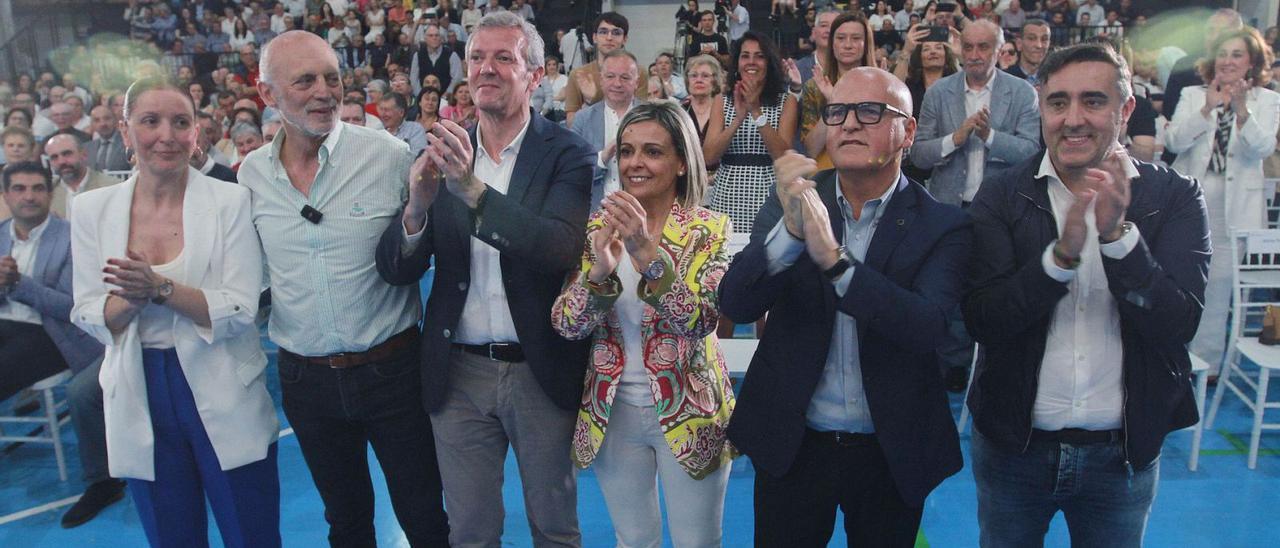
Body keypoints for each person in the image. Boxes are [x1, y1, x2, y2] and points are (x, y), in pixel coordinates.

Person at [963, 42, 1210, 547]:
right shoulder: (1003, 194)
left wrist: (1119, 239)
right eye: (1058, 103)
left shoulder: (1174, 197)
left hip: (1120, 457)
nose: (1073, 119)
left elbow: (1177, 324)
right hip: (1015, 449)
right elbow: (984, 319)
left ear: (1126, 109)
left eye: (1093, 101)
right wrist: (1061, 259)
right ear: (1041, 108)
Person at [721, 67, 970, 546]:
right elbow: (735, 301)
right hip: (795, 444)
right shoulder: (793, 199)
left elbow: (929, 328)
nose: (850, 123)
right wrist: (791, 234)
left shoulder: (943, 225)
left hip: (890, 449)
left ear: (908, 132)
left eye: (870, 111)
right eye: (837, 112)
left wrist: (836, 264)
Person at [374, 11, 593, 547]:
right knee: (470, 531)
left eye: (503, 57)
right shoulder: (439, 151)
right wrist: (417, 210)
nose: (486, 69)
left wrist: (470, 189)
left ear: (535, 75)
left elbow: (556, 247)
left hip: (539, 366)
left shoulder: (567, 152)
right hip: (459, 373)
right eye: (476, 57)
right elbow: (397, 268)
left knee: (554, 526)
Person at [239, 30, 450, 546]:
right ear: (268, 95)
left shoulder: (388, 156)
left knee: (424, 515)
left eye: (332, 78)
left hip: (393, 372)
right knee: (346, 522)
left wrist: (419, 212)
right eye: (305, 80)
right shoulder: (250, 175)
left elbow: (419, 254)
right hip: (305, 382)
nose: (324, 92)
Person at [69, 77, 280, 547]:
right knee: (172, 536)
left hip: (224, 381)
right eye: (150, 121)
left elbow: (242, 308)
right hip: (138, 386)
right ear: (125, 132)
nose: (167, 134)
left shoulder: (231, 201)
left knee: (253, 532)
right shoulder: (91, 210)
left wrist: (158, 288)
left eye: (180, 122)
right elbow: (85, 311)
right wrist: (131, 300)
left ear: (197, 132)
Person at [552, 100, 736, 548]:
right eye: (628, 150)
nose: (636, 162)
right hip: (611, 413)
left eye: (652, 151)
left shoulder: (709, 230)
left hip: (692, 414)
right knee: (633, 541)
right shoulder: (598, 225)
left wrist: (647, 256)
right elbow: (567, 325)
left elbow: (700, 321)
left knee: (699, 543)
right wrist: (598, 274)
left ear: (679, 162)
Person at [0, 161, 119, 529]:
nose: (29, 196)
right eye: (19, 188)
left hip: (54, 335)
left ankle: (103, 483)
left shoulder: (71, 237)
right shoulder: (1, 234)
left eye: (37, 188)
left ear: (50, 194)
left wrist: (17, 283)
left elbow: (72, 307)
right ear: (6, 196)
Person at [1166, 27, 1280, 372]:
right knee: (1178, 282)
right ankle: (1168, 356)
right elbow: (1173, 142)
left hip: (1236, 208)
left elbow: (1261, 149)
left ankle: (1207, 366)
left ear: (1251, 62)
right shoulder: (1192, 93)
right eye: (1223, 53)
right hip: (1191, 202)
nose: (1227, 61)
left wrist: (1243, 112)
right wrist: (1206, 110)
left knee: (1217, 291)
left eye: (1237, 55)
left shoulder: (1268, 100)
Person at [703, 30, 798, 239]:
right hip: (727, 193)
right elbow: (709, 156)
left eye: (759, 56)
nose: (751, 62)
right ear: (737, 62)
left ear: (769, 62)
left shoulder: (786, 101)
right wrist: (738, 119)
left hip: (769, 192)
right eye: (745, 56)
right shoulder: (722, 100)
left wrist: (756, 111)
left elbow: (783, 156)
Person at [799, 12, 877, 170]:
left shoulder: (880, 86)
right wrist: (834, 103)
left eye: (856, 38)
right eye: (841, 38)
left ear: (866, 44)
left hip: (869, 173)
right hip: (826, 175)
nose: (848, 45)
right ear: (832, 43)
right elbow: (811, 150)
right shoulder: (814, 87)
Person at [571, 49, 642, 207]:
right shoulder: (582, 119)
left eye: (625, 77)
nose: (617, 83)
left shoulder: (653, 117)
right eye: (610, 76)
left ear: (636, 82)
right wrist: (603, 157)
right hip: (594, 213)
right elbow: (572, 172)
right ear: (601, 79)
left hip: (643, 212)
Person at [563, 12, 650, 126]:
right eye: (603, 32)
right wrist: (592, 104)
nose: (609, 38)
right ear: (594, 37)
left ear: (625, 39)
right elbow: (571, 122)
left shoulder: (638, 72)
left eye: (616, 33)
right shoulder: (578, 75)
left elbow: (641, 116)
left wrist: (594, 98)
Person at [43, 133, 120, 218]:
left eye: (67, 154)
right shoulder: (47, 192)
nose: (61, 161)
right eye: (54, 157)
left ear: (84, 154)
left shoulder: (111, 186)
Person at [410, 24, 463, 95]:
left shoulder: (452, 55)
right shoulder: (417, 55)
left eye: (437, 35)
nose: (434, 38)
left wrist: (446, 96)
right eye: (431, 35)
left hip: (447, 98)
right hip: (423, 98)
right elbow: (414, 80)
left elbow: (457, 79)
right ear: (425, 38)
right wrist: (422, 97)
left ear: (441, 38)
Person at [683, 54, 725, 144]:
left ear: (715, 81)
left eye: (705, 76)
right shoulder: (680, 111)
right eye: (694, 75)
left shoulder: (725, 111)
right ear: (687, 80)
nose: (699, 80)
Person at [795, 10, 839, 86]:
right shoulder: (797, 69)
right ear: (814, 32)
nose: (828, 30)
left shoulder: (854, 69)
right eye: (824, 25)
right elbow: (783, 97)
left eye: (834, 26)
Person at [379, 91, 429, 156]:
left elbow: (418, 158)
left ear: (401, 112)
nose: (383, 114)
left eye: (387, 110)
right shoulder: (377, 130)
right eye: (381, 109)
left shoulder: (415, 129)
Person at [85, 105, 131, 172]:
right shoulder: (86, 148)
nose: (103, 124)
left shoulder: (128, 143)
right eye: (97, 120)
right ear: (92, 124)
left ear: (115, 120)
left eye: (107, 118)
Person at [1005, 19, 1051, 83]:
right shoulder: (1005, 78)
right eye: (1031, 38)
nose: (1039, 45)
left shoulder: (1056, 78)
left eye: (1044, 39)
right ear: (1019, 44)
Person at [532, 55, 568, 123]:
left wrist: (548, 99)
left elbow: (562, 96)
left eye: (554, 64)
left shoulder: (564, 78)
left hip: (559, 110)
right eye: (549, 65)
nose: (552, 67)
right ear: (545, 67)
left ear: (557, 66)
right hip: (544, 111)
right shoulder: (542, 80)